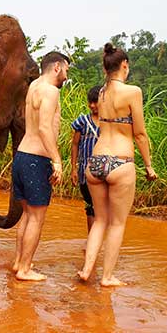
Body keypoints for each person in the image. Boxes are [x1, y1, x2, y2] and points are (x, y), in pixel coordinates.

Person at [77, 43, 157, 287]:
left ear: (105, 67)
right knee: (117, 223)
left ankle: (86, 269)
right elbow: (140, 134)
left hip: (96, 162)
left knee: (99, 220)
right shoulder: (132, 91)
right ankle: (107, 277)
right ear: (125, 66)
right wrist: (149, 166)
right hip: (120, 162)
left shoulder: (100, 94)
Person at [11, 51, 69, 281]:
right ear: (57, 67)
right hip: (37, 159)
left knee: (27, 214)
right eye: (66, 69)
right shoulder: (51, 91)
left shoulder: (34, 86)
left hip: (22, 157)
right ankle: (25, 269)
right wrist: (57, 160)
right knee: (36, 217)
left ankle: (18, 263)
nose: (66, 75)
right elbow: (45, 128)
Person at [70, 85, 101, 232]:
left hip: (104, 172)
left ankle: (99, 241)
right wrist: (73, 169)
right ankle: (92, 241)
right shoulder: (82, 121)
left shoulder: (109, 122)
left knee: (103, 207)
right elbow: (75, 144)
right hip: (85, 172)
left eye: (96, 102)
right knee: (90, 207)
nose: (92, 105)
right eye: (90, 102)